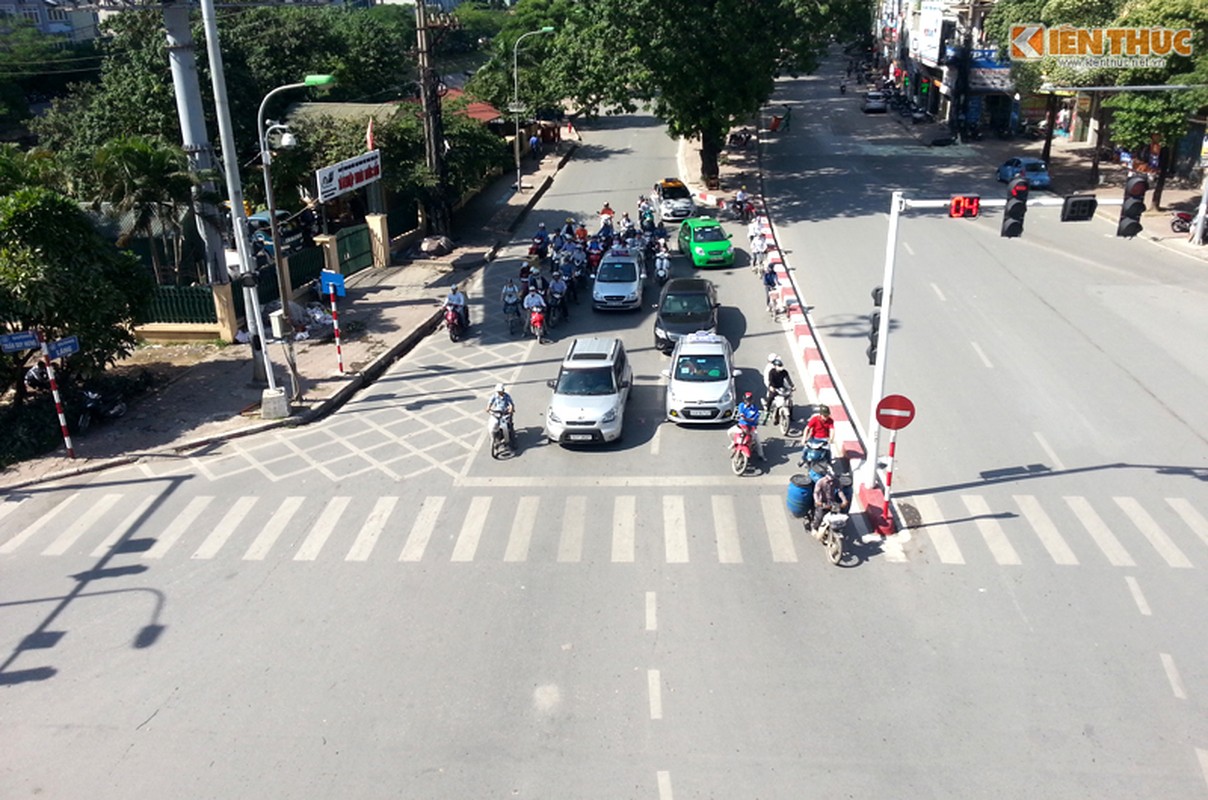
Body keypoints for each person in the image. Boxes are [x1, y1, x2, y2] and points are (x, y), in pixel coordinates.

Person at [810, 465, 850, 537]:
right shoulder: (821, 482)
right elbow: (816, 493)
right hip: (822, 503)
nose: (831, 482)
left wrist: (844, 500)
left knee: (838, 514)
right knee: (819, 516)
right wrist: (817, 501)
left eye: (832, 480)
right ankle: (814, 528)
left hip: (831, 502)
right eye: (829, 480)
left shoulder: (836, 481)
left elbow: (840, 491)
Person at [735, 392, 765, 459]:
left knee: (758, 442)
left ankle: (761, 455)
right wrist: (743, 417)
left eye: (749, 400)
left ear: (752, 401)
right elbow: (741, 413)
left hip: (751, 427)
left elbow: (753, 419)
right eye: (746, 400)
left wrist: (746, 419)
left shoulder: (755, 409)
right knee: (730, 432)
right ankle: (733, 444)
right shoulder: (741, 405)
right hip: (741, 425)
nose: (747, 402)